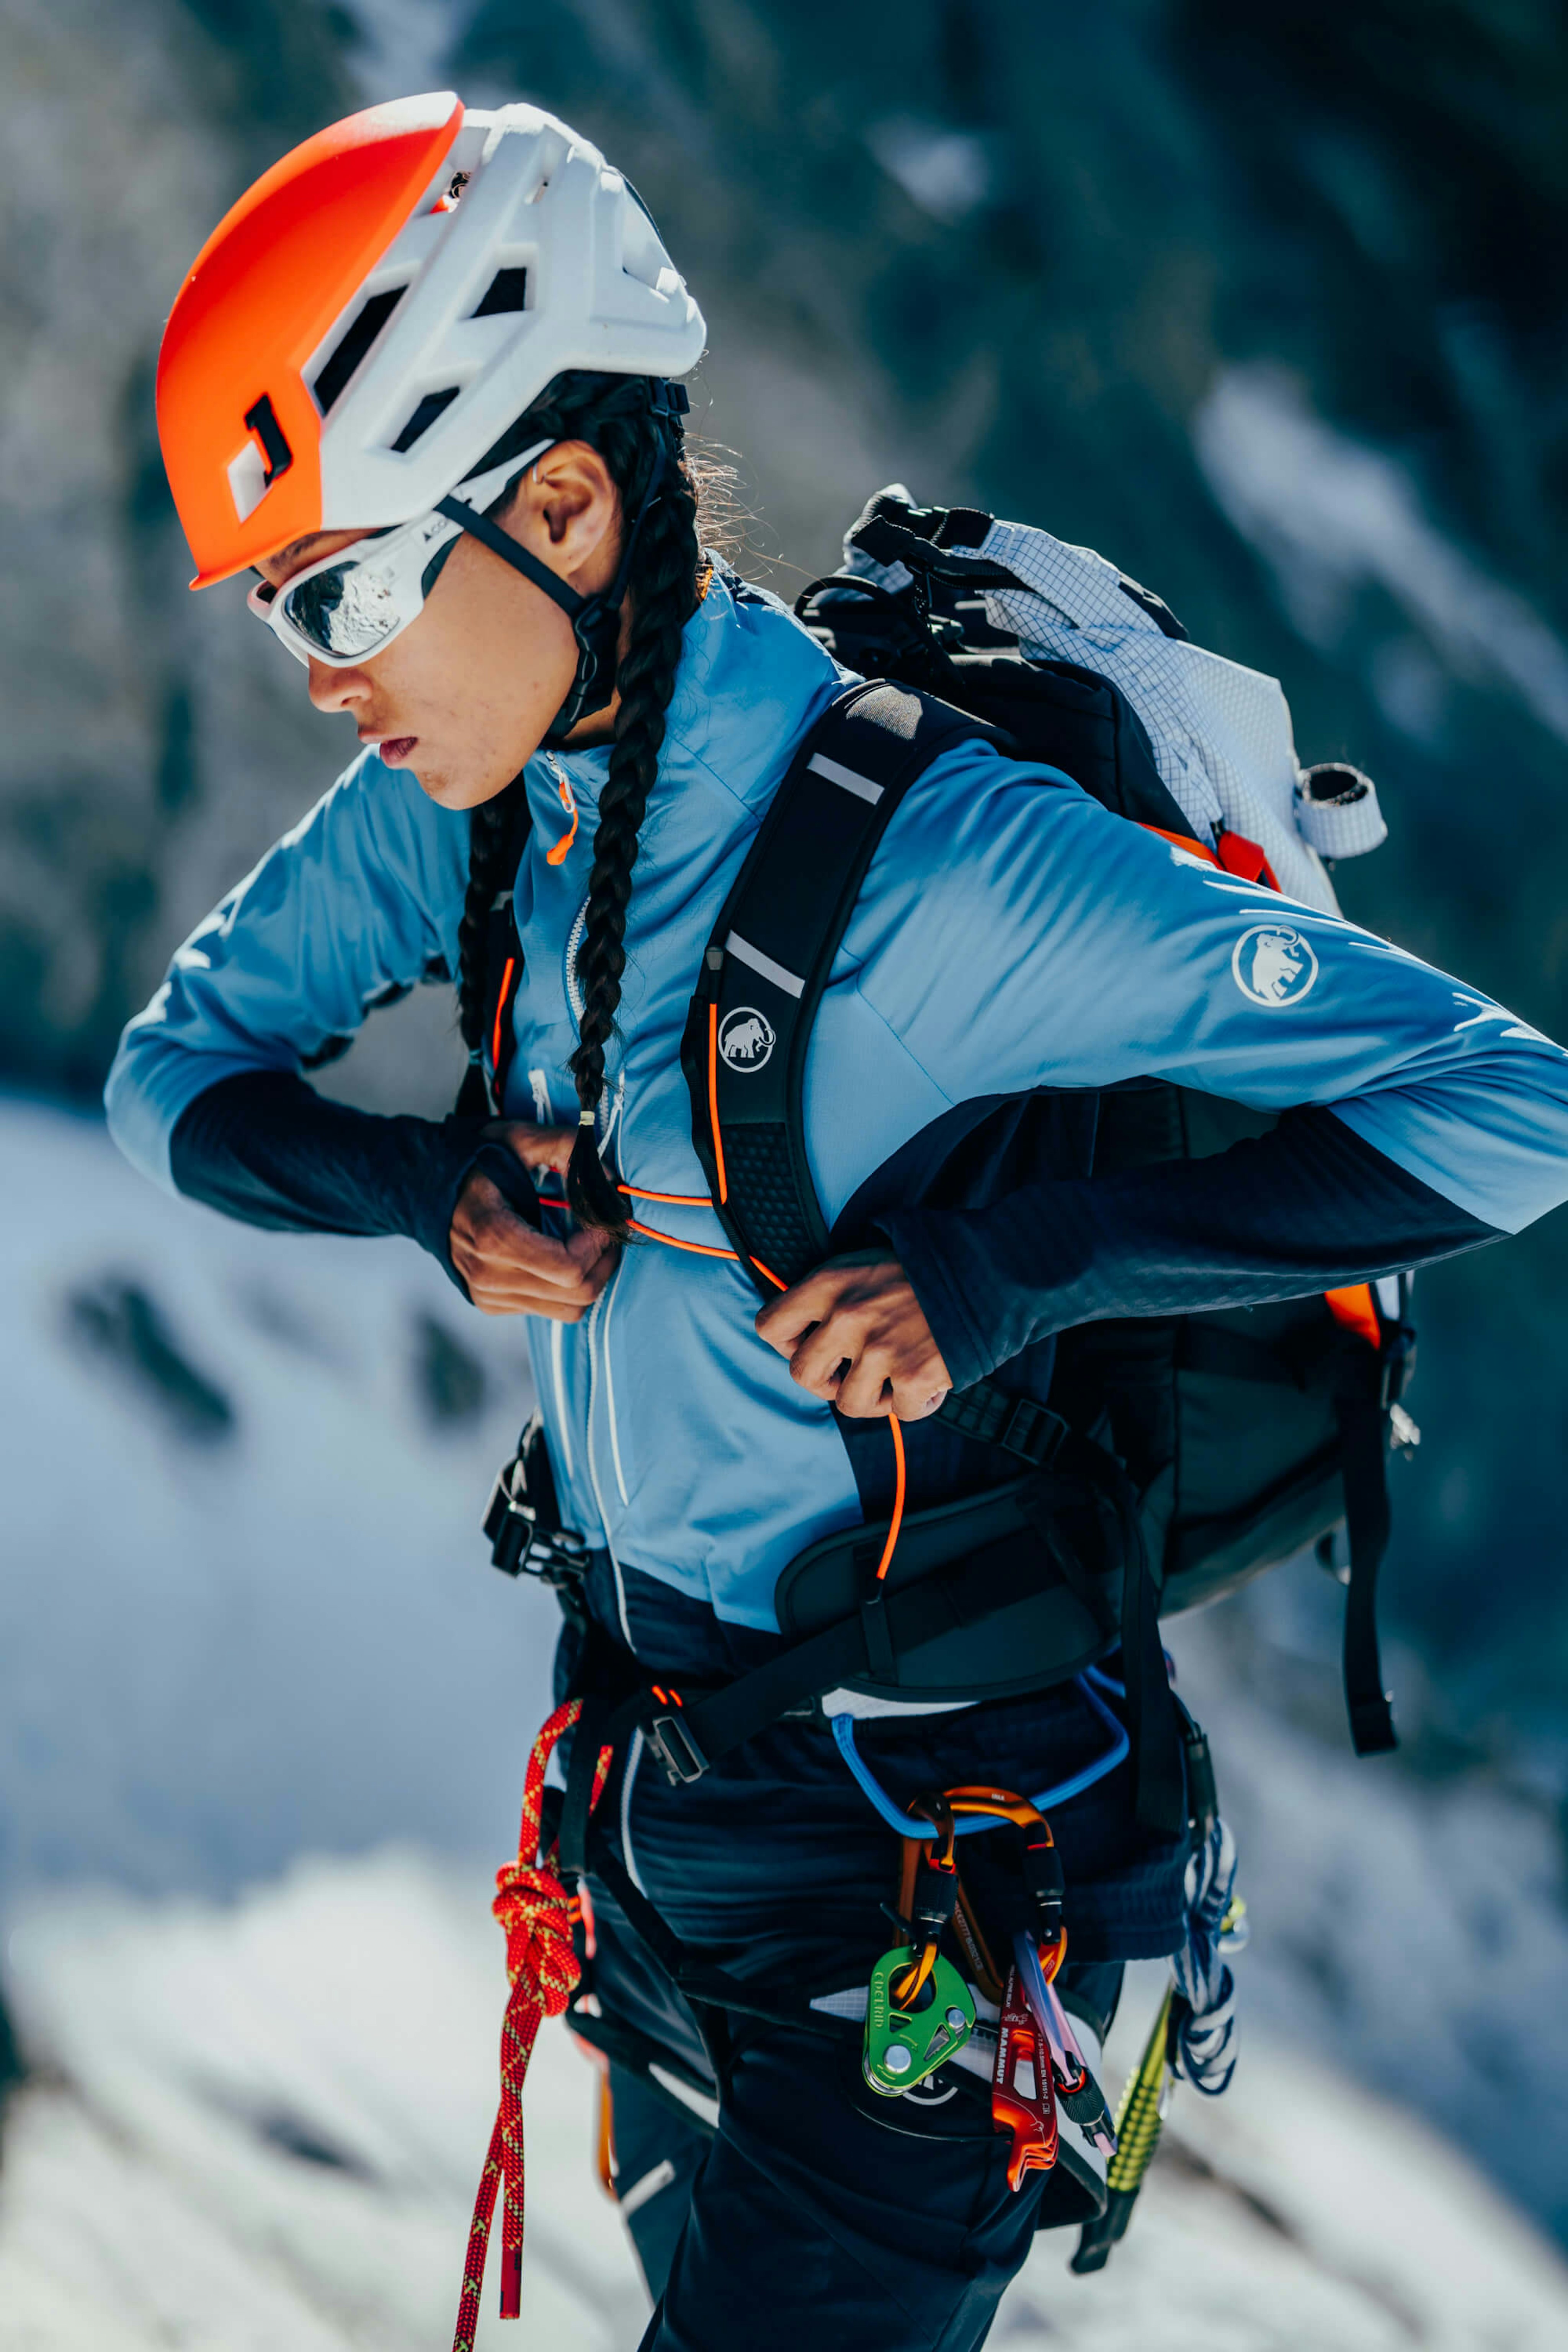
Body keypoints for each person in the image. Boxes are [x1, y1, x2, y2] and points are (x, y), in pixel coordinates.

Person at [108, 91, 1568, 2352]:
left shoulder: (938, 866)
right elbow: (167, 1087)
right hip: (663, 1842)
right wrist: (427, 1189)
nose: (320, 667)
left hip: (934, 1882)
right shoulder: (475, 816)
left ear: (567, 504)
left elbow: (1509, 1105)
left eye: (350, 583)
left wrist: (1012, 1269)